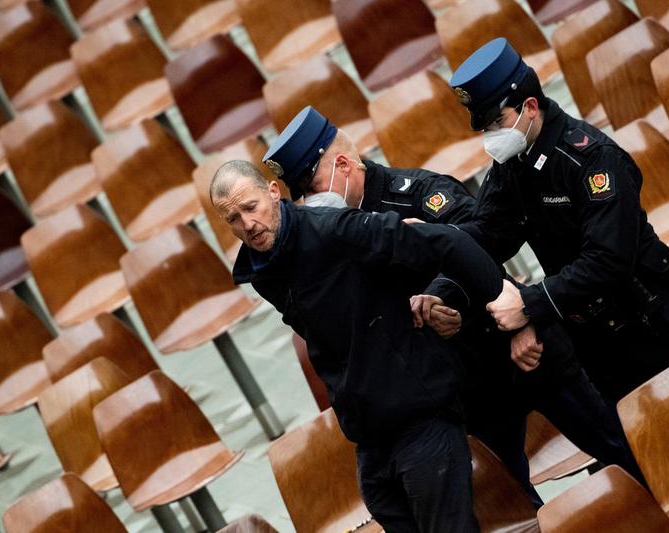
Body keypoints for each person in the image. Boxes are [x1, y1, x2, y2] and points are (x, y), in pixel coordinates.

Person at [261, 106, 643, 506]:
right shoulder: (329, 244)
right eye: (300, 195)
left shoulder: (416, 194)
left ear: (342, 164)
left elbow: (479, 245)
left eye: (311, 185)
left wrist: (445, 295)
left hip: (523, 349)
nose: (308, 202)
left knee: (620, 452)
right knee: (513, 508)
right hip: (467, 390)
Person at [210, 159, 495, 532]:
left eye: (250, 208)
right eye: (232, 219)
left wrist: (492, 292)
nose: (247, 225)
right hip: (371, 438)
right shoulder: (263, 272)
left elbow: (445, 240)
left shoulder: (335, 229)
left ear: (273, 193)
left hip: (420, 415)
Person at [449, 37, 669, 404]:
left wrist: (529, 304)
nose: (493, 137)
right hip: (601, 344)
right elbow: (491, 232)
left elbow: (608, 260)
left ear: (529, 107)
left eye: (498, 122)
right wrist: (437, 250)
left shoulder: (593, 159)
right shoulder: (514, 162)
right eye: (487, 129)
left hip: (660, 325)